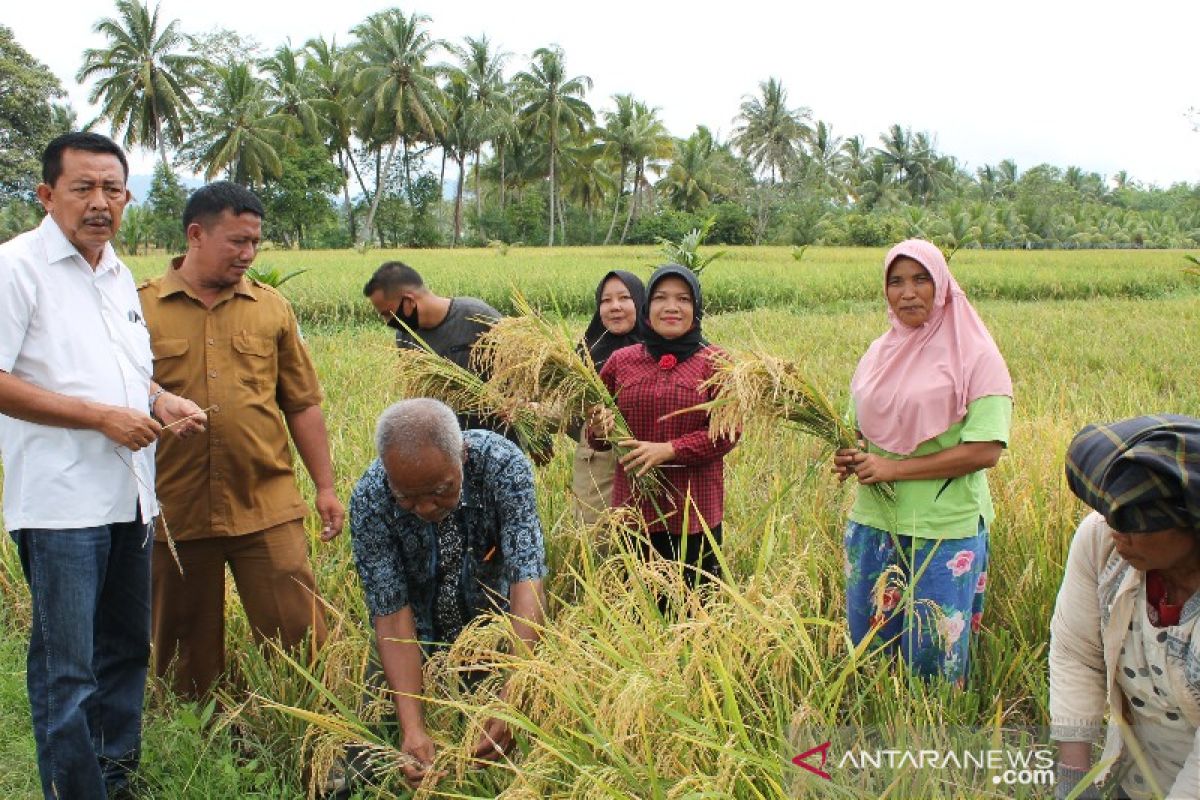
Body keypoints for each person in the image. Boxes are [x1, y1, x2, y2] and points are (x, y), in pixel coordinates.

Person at [0, 132, 205, 799]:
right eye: (83, 188)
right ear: (46, 194)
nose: (99, 203)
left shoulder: (115, 271)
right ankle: (75, 790)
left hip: (131, 497)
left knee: (125, 651)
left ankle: (116, 780)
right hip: (61, 506)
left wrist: (160, 399)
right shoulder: (17, 268)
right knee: (68, 667)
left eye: (112, 189)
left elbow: (125, 373)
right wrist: (99, 417)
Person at [138, 181, 344, 698]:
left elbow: (301, 402)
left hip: (265, 501)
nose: (248, 254)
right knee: (184, 650)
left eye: (255, 242)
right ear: (195, 235)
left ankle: (322, 723)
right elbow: (108, 386)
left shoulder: (271, 308)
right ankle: (202, 747)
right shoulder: (138, 307)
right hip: (174, 505)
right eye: (237, 241)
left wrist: (324, 487)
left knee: (301, 630)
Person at [832, 238, 1012, 683]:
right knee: (871, 650)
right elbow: (860, 429)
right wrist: (850, 455)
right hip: (874, 519)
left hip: (942, 529)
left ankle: (931, 745)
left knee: (934, 657)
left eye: (920, 279)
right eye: (895, 281)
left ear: (943, 285)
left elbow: (986, 449)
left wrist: (894, 469)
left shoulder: (977, 355)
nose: (907, 292)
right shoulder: (879, 353)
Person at [349, 398, 547, 786]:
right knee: (371, 746)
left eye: (441, 490)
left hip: (494, 630)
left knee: (525, 741)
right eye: (406, 497)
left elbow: (528, 578)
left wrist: (513, 695)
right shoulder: (371, 499)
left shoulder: (502, 467)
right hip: (416, 635)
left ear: (463, 455)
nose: (424, 507)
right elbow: (390, 611)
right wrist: (412, 726)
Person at [1051, 415, 1200, 800]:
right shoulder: (1103, 542)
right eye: (1110, 514)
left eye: (1134, 522)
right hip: (1138, 778)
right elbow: (1077, 655)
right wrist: (1074, 781)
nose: (1116, 532)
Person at [588, 264, 737, 587]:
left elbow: (727, 434)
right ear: (647, 308)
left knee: (697, 609)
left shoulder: (716, 363)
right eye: (661, 298)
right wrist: (599, 428)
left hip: (694, 510)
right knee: (639, 608)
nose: (671, 307)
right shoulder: (621, 361)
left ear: (696, 308)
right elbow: (597, 437)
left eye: (683, 299)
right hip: (634, 511)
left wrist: (669, 450)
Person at [363, 261, 507, 436]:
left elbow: (521, 369)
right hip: (451, 441)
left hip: (498, 434)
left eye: (387, 313)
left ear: (409, 301)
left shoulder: (476, 315)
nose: (387, 322)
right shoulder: (406, 338)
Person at [572, 270, 645, 525]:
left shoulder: (661, 349)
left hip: (648, 462)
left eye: (624, 298)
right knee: (598, 543)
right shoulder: (585, 353)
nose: (615, 307)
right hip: (597, 470)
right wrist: (532, 410)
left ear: (641, 301)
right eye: (606, 300)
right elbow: (567, 406)